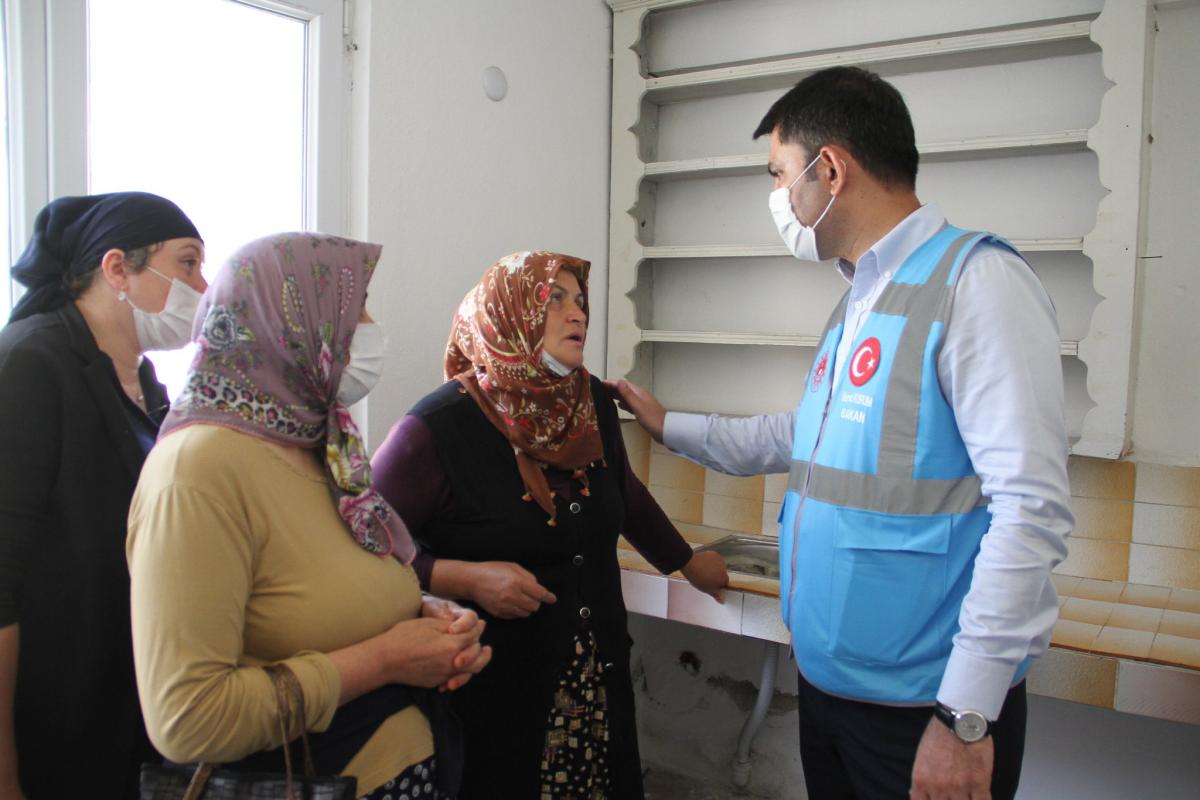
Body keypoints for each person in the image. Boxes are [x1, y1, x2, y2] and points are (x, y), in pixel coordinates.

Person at [607, 66, 1074, 800]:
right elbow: (808, 438)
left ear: (830, 169)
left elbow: (1031, 511)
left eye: (780, 174)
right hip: (833, 692)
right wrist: (674, 428)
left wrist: (967, 717)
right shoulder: (861, 298)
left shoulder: (975, 284)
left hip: (925, 709)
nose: (777, 198)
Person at [126, 232, 491, 799]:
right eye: (354, 309)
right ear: (287, 324)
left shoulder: (320, 442)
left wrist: (423, 616)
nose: (369, 326)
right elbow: (187, 718)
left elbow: (315, 593)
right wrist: (387, 659)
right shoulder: (196, 473)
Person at [370, 251, 729, 799]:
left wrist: (687, 562)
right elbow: (365, 542)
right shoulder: (436, 429)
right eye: (554, 299)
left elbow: (623, 493)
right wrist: (455, 576)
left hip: (595, 675)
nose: (578, 314)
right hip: (495, 686)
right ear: (507, 314)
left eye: (580, 301)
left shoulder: (589, 404)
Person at [0, 192, 205, 798]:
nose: (203, 284)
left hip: (127, 703)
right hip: (54, 711)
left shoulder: (147, 384)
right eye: (188, 263)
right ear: (118, 269)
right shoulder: (32, 362)